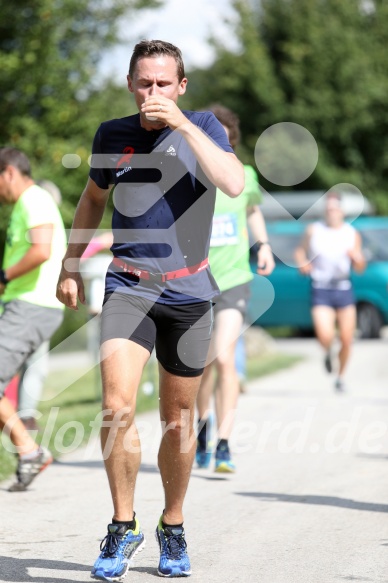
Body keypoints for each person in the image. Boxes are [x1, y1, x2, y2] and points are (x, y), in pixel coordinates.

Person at [56, 40, 244, 580]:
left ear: (181, 86)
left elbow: (231, 183)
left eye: (164, 83)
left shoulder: (204, 126)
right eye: (145, 82)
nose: (153, 92)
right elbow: (93, 199)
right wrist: (70, 264)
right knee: (116, 405)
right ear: (130, 84)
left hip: (188, 293)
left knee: (177, 422)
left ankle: (173, 524)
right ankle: (122, 525)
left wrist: (181, 124)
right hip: (129, 285)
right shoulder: (111, 135)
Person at [195, 105, 275, 473]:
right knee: (202, 365)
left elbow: (253, 210)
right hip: (195, 282)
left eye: (225, 139)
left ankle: (224, 443)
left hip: (233, 281)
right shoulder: (192, 175)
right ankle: (202, 427)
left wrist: (264, 246)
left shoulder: (245, 176)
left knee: (225, 358)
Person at [0, 147, 66, 491]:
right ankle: (28, 452)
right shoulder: (29, 203)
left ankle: (29, 450)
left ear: (9, 172)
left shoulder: (33, 199)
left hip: (31, 306)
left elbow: (41, 250)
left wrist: (4, 276)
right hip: (27, 306)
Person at [294, 191, 366, 391]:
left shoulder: (351, 233)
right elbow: (300, 251)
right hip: (320, 287)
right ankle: (327, 352)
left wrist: (357, 259)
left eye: (335, 209)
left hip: (343, 287)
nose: (331, 212)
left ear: (341, 211)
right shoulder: (314, 230)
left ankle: (340, 377)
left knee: (346, 338)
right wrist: (303, 263)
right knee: (325, 335)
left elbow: (360, 268)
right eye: (328, 209)